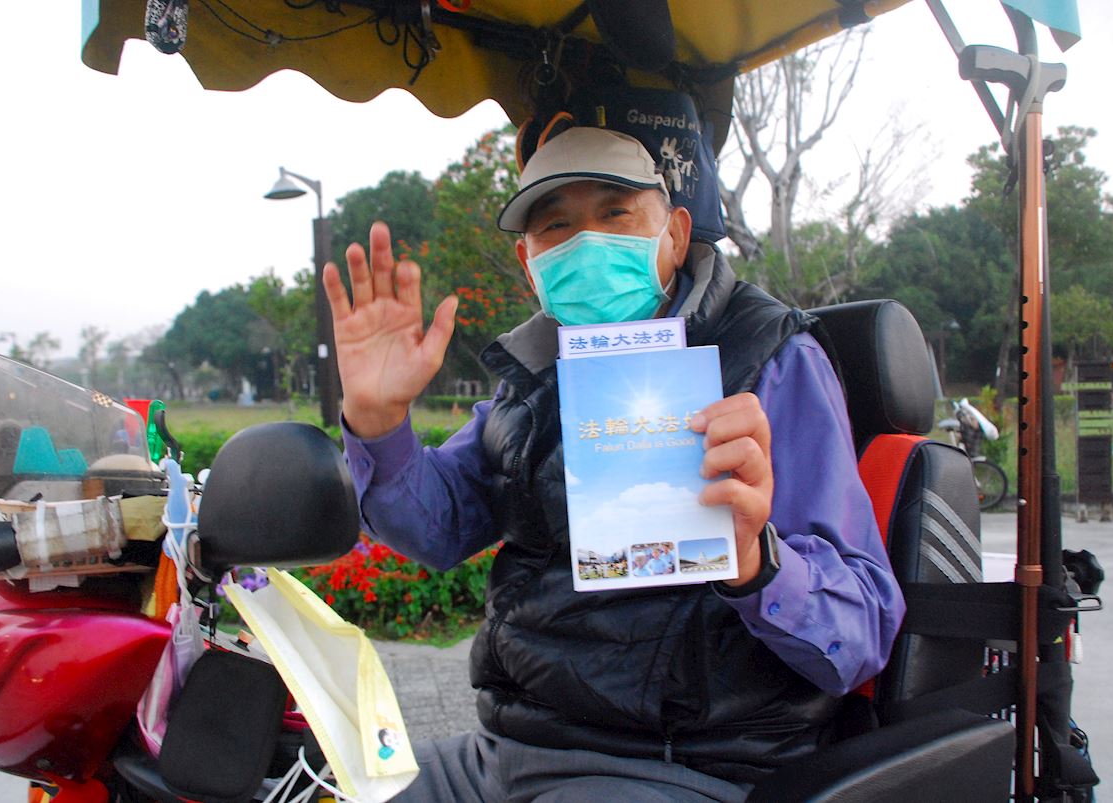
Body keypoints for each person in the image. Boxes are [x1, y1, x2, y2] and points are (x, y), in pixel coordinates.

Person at [325, 126, 905, 801]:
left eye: (615, 212)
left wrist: (756, 561)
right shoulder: (531, 375)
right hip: (508, 750)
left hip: (687, 765)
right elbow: (435, 525)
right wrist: (378, 421)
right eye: (556, 226)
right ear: (529, 261)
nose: (587, 244)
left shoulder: (771, 360)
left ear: (676, 234)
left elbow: (861, 631)